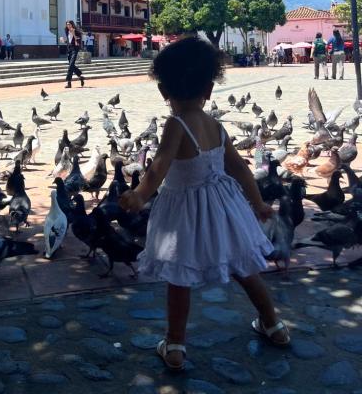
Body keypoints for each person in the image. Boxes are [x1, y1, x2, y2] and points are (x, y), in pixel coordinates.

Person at [119, 35, 290, 372]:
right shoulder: (215, 125)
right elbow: (240, 168)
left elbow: (160, 166)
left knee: (179, 276)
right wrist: (257, 204)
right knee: (244, 266)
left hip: (184, 212)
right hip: (225, 207)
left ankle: (176, 345)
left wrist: (139, 194)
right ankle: (274, 325)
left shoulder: (175, 124)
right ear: (209, 90)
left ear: (163, 91)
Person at [64, 20, 84, 88]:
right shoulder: (67, 31)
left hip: (75, 49)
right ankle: (80, 77)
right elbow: (69, 41)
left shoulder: (77, 32)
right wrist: (64, 41)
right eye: (67, 24)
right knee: (71, 65)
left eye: (69, 24)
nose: (68, 26)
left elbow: (77, 43)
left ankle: (68, 82)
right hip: (69, 49)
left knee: (71, 65)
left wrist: (74, 34)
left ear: (72, 25)